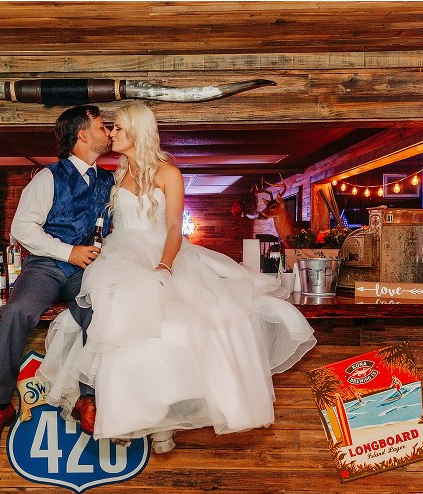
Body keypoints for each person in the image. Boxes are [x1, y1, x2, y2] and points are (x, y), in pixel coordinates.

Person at [37, 102, 317, 453]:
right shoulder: (113, 176)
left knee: (180, 328)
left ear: (137, 131)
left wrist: (165, 265)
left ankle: (165, 418)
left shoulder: (168, 172)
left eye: (118, 128)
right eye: (111, 128)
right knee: (123, 328)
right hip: (120, 255)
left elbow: (173, 227)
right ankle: (132, 417)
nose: (111, 133)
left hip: (163, 251)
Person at [0, 105, 113, 456]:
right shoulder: (48, 177)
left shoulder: (111, 180)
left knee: (99, 315)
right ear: (82, 134)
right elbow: (21, 228)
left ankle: (87, 398)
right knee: (16, 312)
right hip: (46, 267)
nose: (108, 131)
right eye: (101, 125)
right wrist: (68, 252)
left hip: (90, 270)